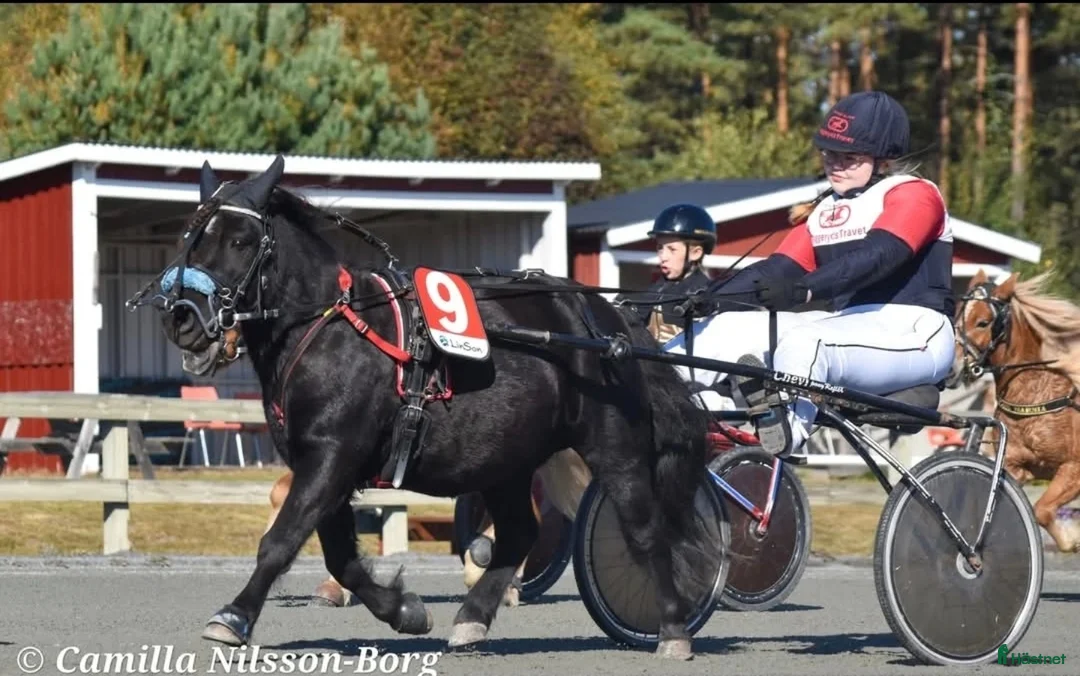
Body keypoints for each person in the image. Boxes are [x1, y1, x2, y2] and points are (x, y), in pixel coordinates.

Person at [663, 90, 956, 458]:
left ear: (884, 159)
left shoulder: (914, 193)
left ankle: (784, 432)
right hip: (847, 326)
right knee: (723, 328)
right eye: (828, 153)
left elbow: (879, 256)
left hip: (915, 332)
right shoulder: (826, 210)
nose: (834, 164)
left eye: (848, 157)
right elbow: (778, 269)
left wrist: (803, 290)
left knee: (805, 342)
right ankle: (654, 397)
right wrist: (708, 299)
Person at [616, 203, 715, 344]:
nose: (663, 256)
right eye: (660, 248)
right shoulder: (655, 289)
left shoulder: (705, 293)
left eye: (672, 249)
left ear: (695, 253)